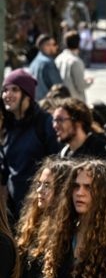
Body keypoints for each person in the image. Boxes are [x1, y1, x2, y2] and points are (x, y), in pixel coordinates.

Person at [2, 69, 60, 215]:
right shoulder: (8, 125)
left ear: (27, 95)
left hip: (40, 209)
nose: (7, 95)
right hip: (14, 211)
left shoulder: (45, 123)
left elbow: (57, 164)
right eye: (5, 90)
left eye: (14, 89)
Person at [51, 97, 106, 162]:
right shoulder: (63, 155)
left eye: (60, 120)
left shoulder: (100, 151)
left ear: (78, 121)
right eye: (54, 120)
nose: (55, 125)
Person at [55, 31, 92, 102]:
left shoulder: (58, 58)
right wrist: (89, 81)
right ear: (79, 43)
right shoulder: (75, 61)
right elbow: (80, 86)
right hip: (74, 101)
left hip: (60, 99)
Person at [27, 34, 62, 100]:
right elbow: (58, 87)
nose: (56, 47)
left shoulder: (33, 63)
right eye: (54, 44)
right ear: (46, 46)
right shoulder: (48, 63)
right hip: (48, 105)